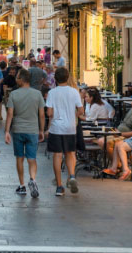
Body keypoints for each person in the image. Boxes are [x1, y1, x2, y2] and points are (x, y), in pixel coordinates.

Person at [5, 68, 45, 198]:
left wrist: (6, 131)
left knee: (19, 158)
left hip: (18, 129)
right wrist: (41, 130)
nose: (16, 79)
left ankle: (22, 185)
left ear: (22, 79)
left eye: (17, 77)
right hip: (32, 130)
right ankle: (32, 179)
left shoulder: (14, 94)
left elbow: (10, 114)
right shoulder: (37, 94)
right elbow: (42, 115)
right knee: (32, 158)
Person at [46, 67, 84, 196]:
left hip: (56, 128)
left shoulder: (52, 93)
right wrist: (74, 116)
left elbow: (49, 113)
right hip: (70, 128)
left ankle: (59, 186)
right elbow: (81, 110)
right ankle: (72, 176)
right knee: (70, 153)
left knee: (57, 155)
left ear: (55, 79)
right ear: (68, 78)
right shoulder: (74, 92)